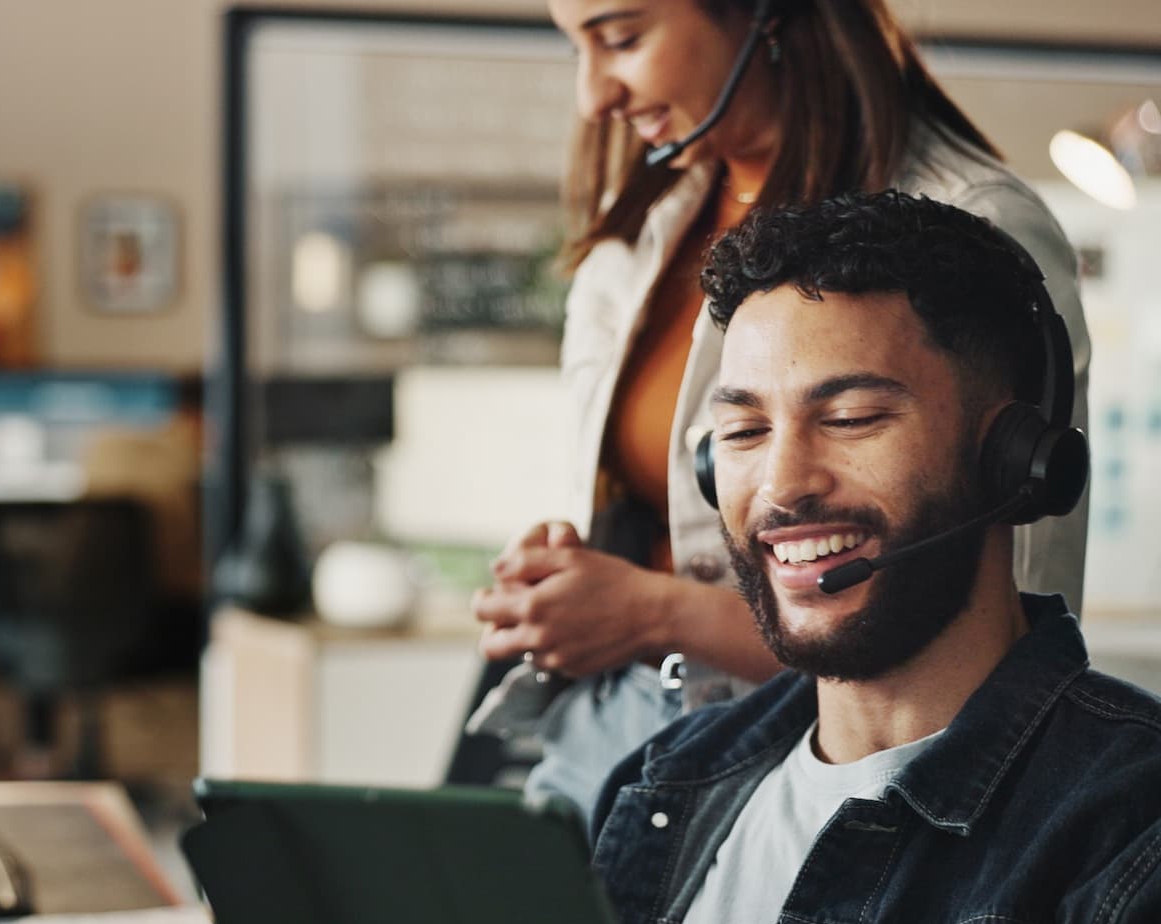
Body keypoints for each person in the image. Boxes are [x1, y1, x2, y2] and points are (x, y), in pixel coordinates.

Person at [507, 192, 1161, 924]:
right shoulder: (661, 786)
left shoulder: (1133, 834)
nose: (782, 485)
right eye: (743, 434)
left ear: (1011, 462)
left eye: (849, 417)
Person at [466, 0, 1091, 822]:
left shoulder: (974, 229)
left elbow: (995, 624)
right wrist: (579, 574)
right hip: (611, 735)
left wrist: (652, 611)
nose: (593, 97)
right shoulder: (648, 225)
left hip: (816, 772)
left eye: (621, 38)